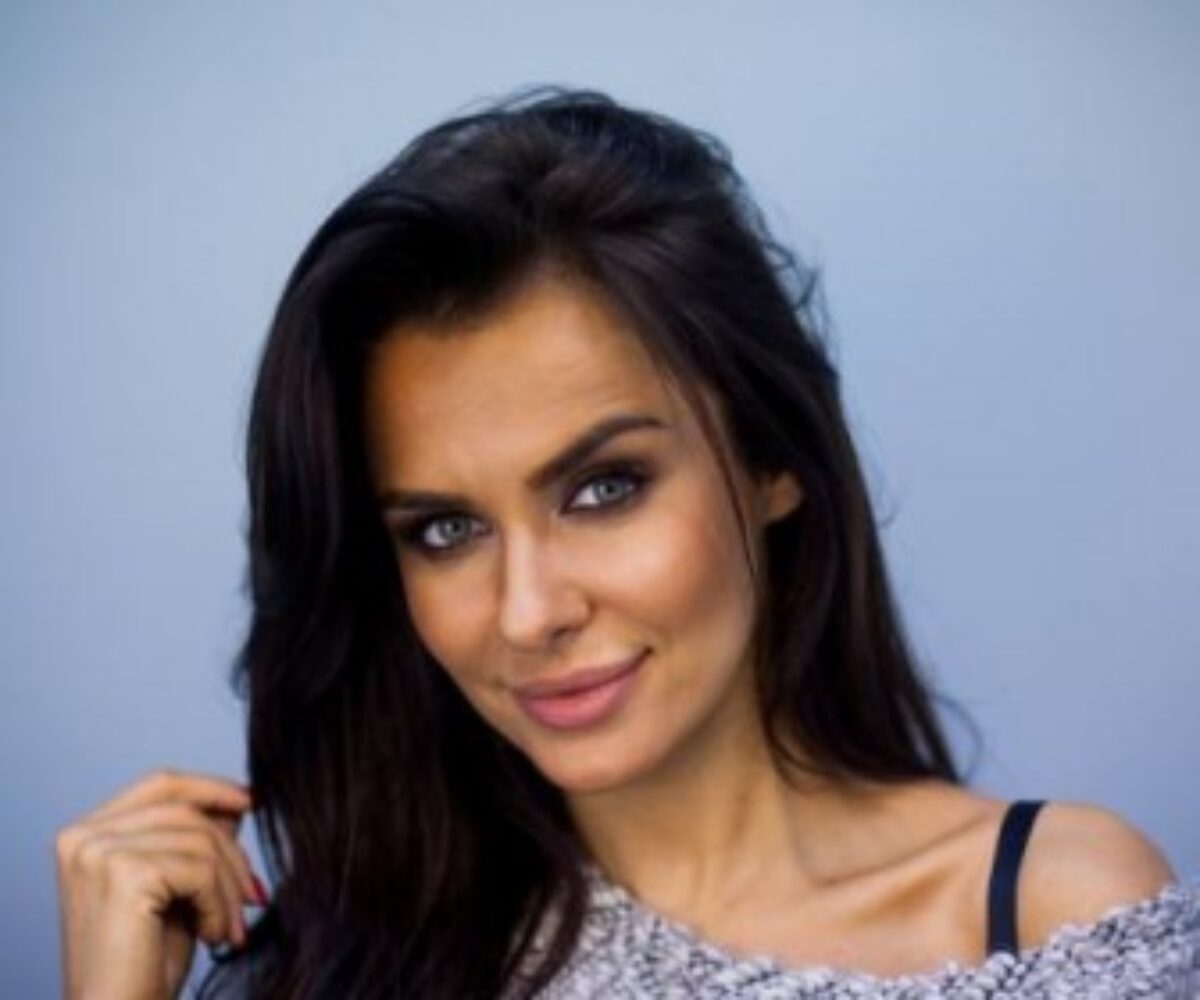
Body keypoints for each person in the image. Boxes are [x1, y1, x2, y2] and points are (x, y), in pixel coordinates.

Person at [55, 87, 1198, 999]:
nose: (528, 611)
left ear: (771, 461)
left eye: (603, 488)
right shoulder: (348, 964)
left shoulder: (1051, 917)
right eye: (446, 528)